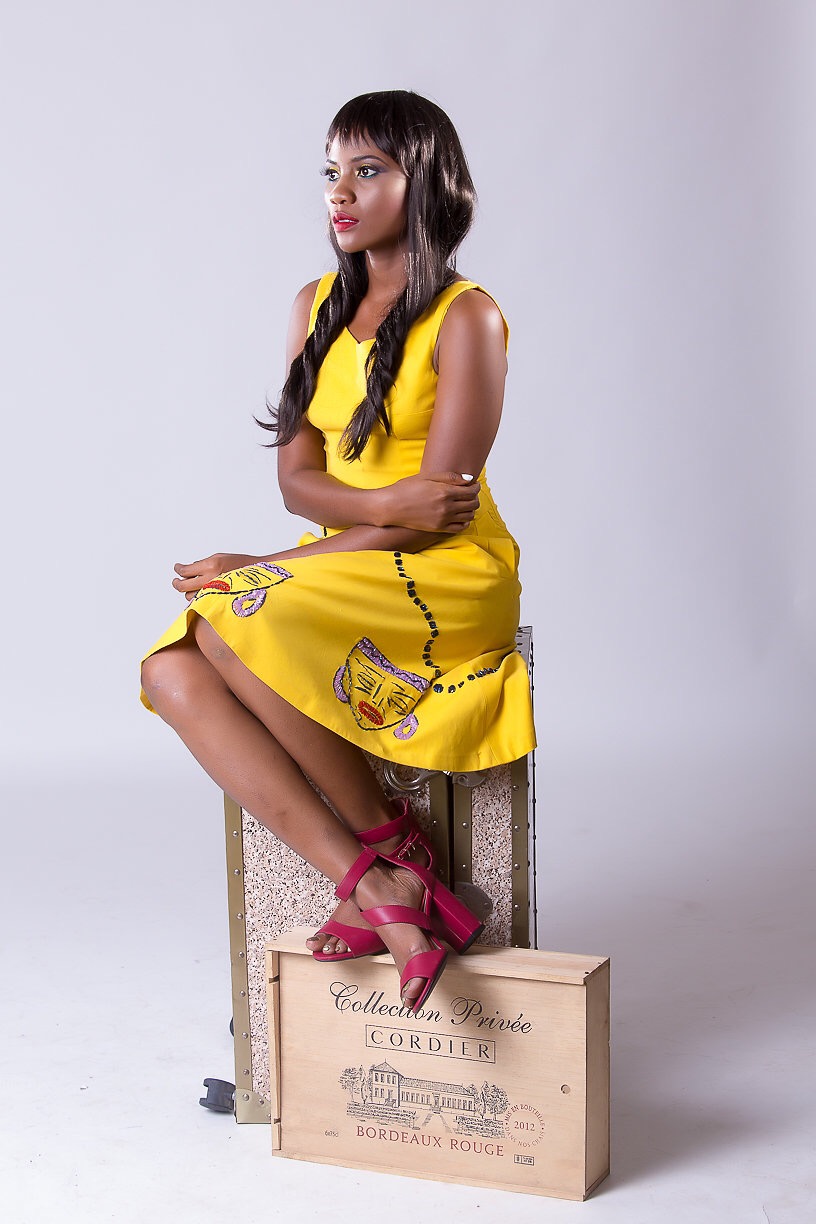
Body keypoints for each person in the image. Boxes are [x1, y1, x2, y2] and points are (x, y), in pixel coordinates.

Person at [140, 89, 536, 1012]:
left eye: (367, 170)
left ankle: (392, 853)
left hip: (446, 571)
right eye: (331, 171)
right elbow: (297, 485)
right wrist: (369, 506)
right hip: (352, 555)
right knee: (169, 672)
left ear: (423, 181)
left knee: (227, 619)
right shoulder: (313, 306)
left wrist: (273, 566)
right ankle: (378, 882)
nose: (340, 193)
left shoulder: (467, 317)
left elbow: (432, 518)